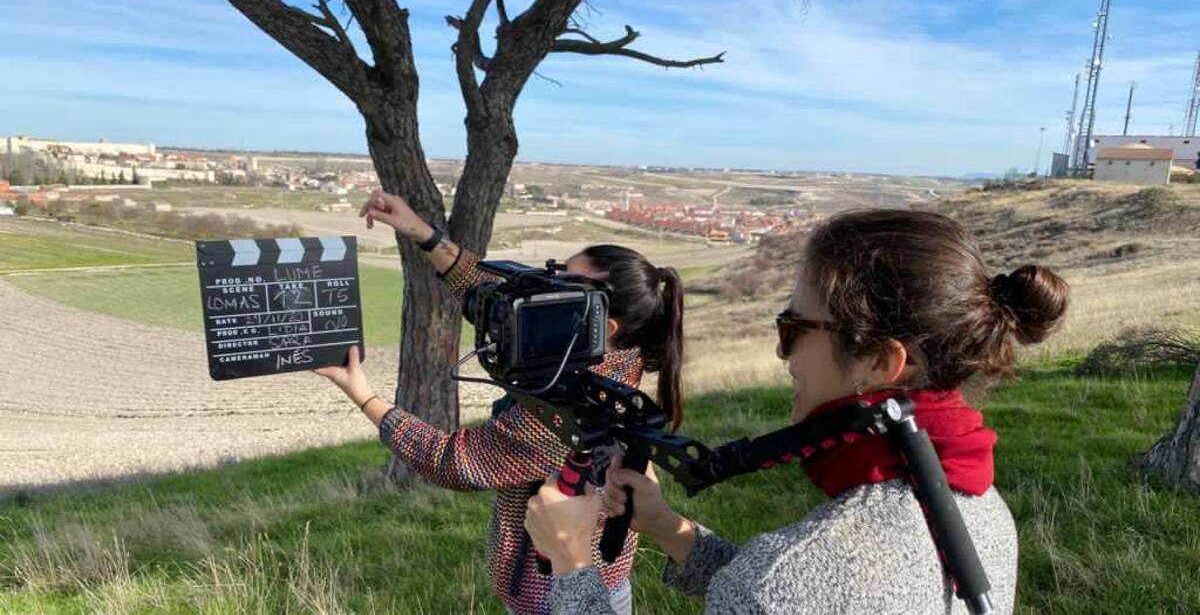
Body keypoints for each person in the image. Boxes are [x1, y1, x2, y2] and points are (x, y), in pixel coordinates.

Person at [524, 209, 1070, 614]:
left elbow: (778, 593)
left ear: (880, 362)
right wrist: (669, 528)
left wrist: (573, 563)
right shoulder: (983, 512)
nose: (782, 354)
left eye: (794, 330)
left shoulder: (784, 585)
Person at [314, 190, 686, 615]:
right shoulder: (616, 352)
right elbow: (495, 293)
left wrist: (361, 393)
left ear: (603, 324)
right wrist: (419, 230)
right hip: (592, 577)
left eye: (563, 286)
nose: (547, 291)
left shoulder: (569, 409)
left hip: (555, 591)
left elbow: (453, 461)